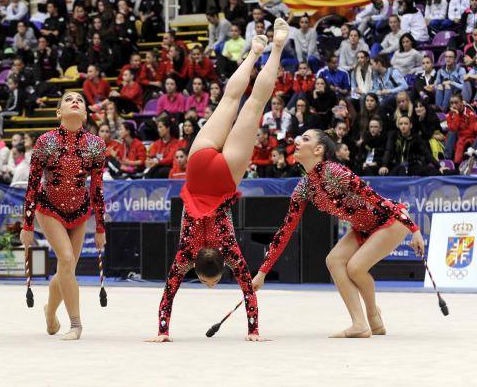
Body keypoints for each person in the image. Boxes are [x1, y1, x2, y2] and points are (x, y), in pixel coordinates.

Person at [147, 18, 291, 344]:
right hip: (198, 169)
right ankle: (254, 52)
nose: (209, 285)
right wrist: (162, 330)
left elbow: (248, 290)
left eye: (207, 282)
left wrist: (253, 330)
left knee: (254, 105)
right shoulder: (186, 253)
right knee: (229, 100)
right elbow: (167, 295)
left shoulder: (226, 251)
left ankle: (275, 47)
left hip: (224, 176)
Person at [252, 128, 424, 338]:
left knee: (355, 268)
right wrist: (262, 272)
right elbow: (285, 230)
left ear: (318, 149)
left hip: (390, 220)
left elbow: (375, 198)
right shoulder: (304, 188)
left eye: (305, 139)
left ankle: (372, 314)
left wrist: (414, 229)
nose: (297, 141)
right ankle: (360, 323)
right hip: (362, 227)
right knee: (334, 260)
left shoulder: (334, 171)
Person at [19, 91, 107, 341]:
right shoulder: (45, 141)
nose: (75, 101)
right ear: (59, 112)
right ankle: (76, 324)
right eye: (68, 99)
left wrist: (100, 228)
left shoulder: (96, 145)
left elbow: (97, 189)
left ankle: (50, 312)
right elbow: (33, 184)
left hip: (79, 211)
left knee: (66, 268)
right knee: (67, 259)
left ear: (85, 113)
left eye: (79, 100)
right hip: (49, 207)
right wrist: (27, 225)